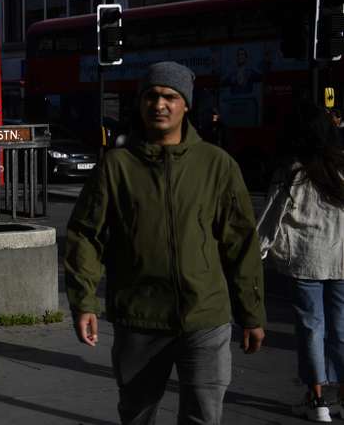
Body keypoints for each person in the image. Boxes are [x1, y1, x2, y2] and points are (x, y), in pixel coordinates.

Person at [65, 61, 266, 425]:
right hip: (139, 315)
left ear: (186, 104)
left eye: (170, 97)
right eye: (152, 96)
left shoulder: (216, 165)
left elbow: (240, 242)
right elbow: (84, 235)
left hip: (205, 316)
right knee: (138, 414)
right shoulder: (117, 166)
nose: (160, 105)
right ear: (141, 103)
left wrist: (251, 313)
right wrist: (84, 303)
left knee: (203, 416)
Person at [258, 99, 344, 422]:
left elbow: (270, 220)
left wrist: (256, 254)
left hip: (307, 261)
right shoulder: (342, 166)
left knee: (311, 329)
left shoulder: (291, 172)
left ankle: (317, 401)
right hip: (342, 259)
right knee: (341, 330)